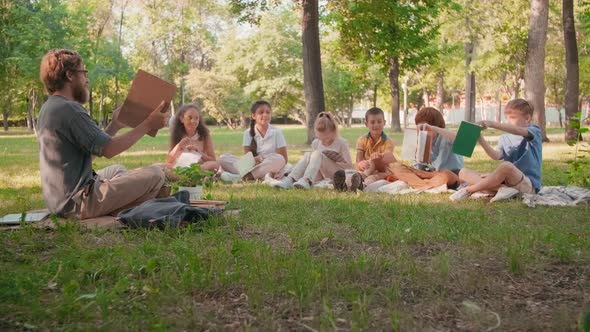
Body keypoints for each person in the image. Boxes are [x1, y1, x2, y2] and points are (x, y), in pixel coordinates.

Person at [37, 49, 170, 219]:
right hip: (77, 203)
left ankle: (118, 204)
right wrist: (148, 125)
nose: (86, 79)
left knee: (118, 170)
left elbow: (89, 155)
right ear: (70, 75)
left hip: (60, 200)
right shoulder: (70, 110)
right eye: (83, 72)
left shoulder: (52, 107)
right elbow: (109, 150)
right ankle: (120, 209)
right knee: (156, 174)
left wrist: (115, 125)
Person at [450, 98, 542, 202]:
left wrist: (491, 124)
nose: (508, 121)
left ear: (527, 118)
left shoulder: (535, 131)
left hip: (526, 184)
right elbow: (496, 156)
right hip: (506, 182)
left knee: (506, 166)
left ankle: (468, 190)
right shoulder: (504, 138)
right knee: (463, 172)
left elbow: (518, 130)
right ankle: (502, 189)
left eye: (512, 117)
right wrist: (480, 138)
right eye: (506, 117)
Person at [271, 112, 352, 189]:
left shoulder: (342, 143)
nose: (323, 141)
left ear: (333, 131)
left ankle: (307, 180)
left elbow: (349, 166)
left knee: (317, 153)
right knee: (308, 155)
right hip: (319, 174)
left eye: (326, 138)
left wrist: (336, 159)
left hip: (337, 174)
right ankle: (290, 179)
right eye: (321, 138)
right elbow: (313, 164)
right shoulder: (316, 143)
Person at [389, 107, 463, 190]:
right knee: (397, 168)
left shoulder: (446, 135)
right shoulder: (423, 138)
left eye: (426, 128)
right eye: (421, 127)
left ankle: (419, 184)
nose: (424, 131)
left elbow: (462, 140)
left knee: (445, 176)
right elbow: (418, 166)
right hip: (430, 174)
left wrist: (434, 129)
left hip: (451, 174)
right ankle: (425, 184)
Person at [219, 100, 288, 182]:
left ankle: (241, 178)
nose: (265, 115)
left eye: (268, 112)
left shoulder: (276, 132)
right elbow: (247, 160)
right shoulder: (248, 133)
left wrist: (263, 159)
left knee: (279, 159)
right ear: (253, 116)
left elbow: (284, 159)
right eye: (261, 112)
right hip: (252, 166)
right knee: (223, 158)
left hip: (269, 165)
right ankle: (256, 176)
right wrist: (257, 159)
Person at [333, 107, 396, 192]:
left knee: (372, 176)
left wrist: (377, 157)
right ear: (366, 124)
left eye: (379, 122)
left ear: (384, 123)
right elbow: (358, 161)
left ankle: (361, 185)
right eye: (372, 122)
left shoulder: (388, 141)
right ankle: (345, 185)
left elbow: (388, 158)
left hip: (381, 171)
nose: (376, 125)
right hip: (366, 169)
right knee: (360, 172)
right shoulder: (362, 140)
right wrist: (361, 163)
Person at [167, 104, 219, 172]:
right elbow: (169, 160)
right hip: (181, 167)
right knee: (160, 166)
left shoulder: (204, 134)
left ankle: (191, 172)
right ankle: (186, 172)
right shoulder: (176, 134)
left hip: (200, 166)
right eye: (190, 117)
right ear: (182, 119)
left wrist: (198, 152)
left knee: (214, 165)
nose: (193, 121)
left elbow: (213, 159)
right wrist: (179, 145)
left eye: (196, 118)